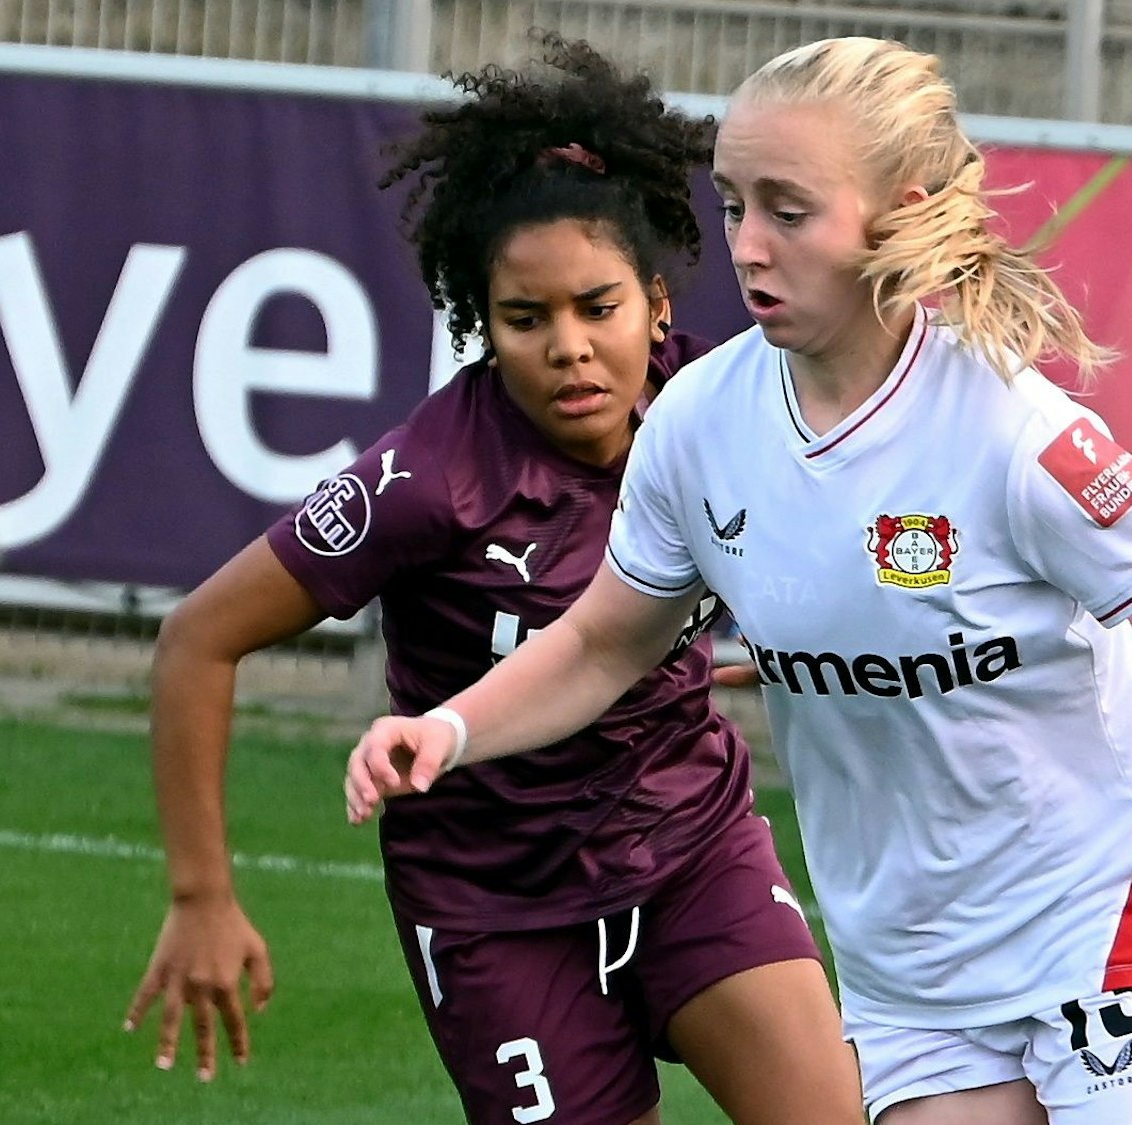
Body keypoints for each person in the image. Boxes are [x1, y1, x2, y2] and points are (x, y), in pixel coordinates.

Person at [344, 35, 1132, 1125]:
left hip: (1096, 929)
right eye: (733, 204)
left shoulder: (1015, 438)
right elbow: (608, 644)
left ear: (894, 213)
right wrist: (448, 730)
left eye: (790, 210)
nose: (748, 246)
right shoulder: (694, 426)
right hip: (905, 965)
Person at [126, 35, 865, 1125]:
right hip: (496, 913)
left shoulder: (725, 409)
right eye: (526, 320)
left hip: (690, 849)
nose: (567, 346)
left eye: (597, 307)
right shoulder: (427, 484)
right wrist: (201, 895)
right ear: (483, 325)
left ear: (657, 305)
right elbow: (198, 637)